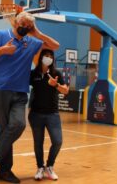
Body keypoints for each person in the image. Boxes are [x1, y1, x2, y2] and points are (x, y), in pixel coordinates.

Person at [0, 11, 59, 183]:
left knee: (18, 125)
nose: (25, 27)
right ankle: (5, 171)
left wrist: (37, 32)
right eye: (23, 24)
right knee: (3, 130)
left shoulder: (32, 42)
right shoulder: (1, 35)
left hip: (21, 92)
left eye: (28, 26)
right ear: (16, 22)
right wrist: (3, 50)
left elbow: (55, 46)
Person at [28, 49, 69, 181]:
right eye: (46, 55)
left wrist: (55, 84)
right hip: (36, 114)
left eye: (51, 56)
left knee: (57, 141)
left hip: (52, 114)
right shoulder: (33, 74)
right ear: (41, 57)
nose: (48, 58)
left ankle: (49, 166)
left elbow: (66, 90)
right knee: (38, 143)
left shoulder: (56, 73)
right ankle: (40, 167)